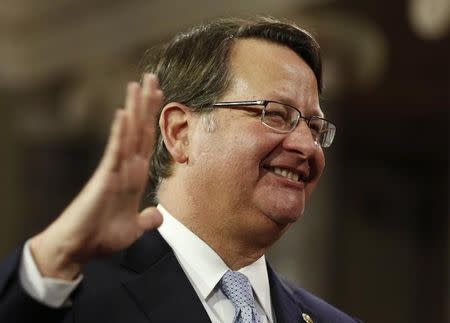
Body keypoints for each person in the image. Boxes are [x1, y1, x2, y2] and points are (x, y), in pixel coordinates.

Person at [0, 17, 361, 323]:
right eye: (276, 114)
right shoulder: (71, 297)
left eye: (314, 127)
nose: (305, 145)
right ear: (180, 132)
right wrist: (55, 254)